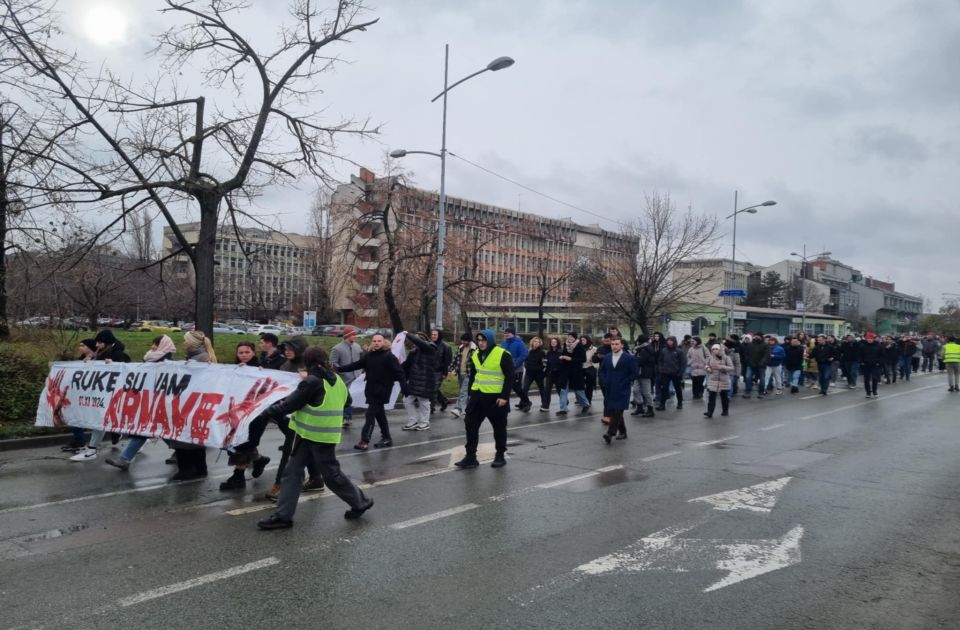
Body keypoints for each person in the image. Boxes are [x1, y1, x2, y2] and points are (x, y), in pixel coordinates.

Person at [256, 346, 374, 529]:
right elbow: (347, 402)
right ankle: (283, 516)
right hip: (317, 435)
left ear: (307, 362)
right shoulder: (336, 380)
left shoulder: (311, 381)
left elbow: (288, 406)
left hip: (314, 435)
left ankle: (360, 501)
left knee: (330, 475)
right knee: (292, 473)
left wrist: (262, 412)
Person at [105, 335, 178, 471]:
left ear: (163, 345)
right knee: (150, 430)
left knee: (151, 430)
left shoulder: (168, 363)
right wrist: (115, 366)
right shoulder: (151, 358)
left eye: (155, 344)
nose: (152, 347)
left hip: (160, 403)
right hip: (149, 401)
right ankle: (180, 452)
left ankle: (125, 459)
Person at [216, 342, 273, 490]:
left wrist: (259, 373)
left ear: (253, 353)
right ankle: (259, 460)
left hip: (255, 414)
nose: (244, 355)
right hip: (237, 412)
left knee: (244, 442)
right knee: (237, 442)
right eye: (240, 352)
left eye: (247, 352)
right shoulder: (235, 369)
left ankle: (238, 476)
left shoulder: (261, 368)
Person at [455, 329, 514, 469]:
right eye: (479, 340)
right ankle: (470, 456)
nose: (481, 343)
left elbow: (510, 377)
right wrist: (470, 394)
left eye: (484, 340)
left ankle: (500, 454)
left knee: (499, 428)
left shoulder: (502, 354)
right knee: (470, 424)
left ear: (491, 340)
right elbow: (474, 375)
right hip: (477, 396)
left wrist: (504, 396)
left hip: (496, 398)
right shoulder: (475, 354)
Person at [337, 333, 407, 450]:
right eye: (374, 341)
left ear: (384, 342)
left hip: (383, 390)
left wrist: (405, 388)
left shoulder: (389, 357)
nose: (376, 343)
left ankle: (364, 441)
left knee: (370, 414)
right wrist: (339, 368)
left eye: (379, 341)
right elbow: (356, 365)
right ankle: (387, 438)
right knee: (380, 415)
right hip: (371, 390)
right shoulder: (369, 355)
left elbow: (400, 373)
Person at [70, 330, 130, 462]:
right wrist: (89, 362)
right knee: (101, 419)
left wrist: (114, 364)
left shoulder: (118, 354)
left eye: (99, 342)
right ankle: (135, 439)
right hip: (103, 394)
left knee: (102, 420)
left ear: (107, 342)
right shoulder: (100, 354)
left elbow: (128, 370)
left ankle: (93, 449)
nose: (96, 345)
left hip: (114, 394)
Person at [169, 330, 217, 480]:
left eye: (185, 341)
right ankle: (200, 468)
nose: (183, 343)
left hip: (191, 403)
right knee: (194, 438)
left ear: (192, 344)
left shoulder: (200, 359)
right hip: (195, 403)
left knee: (183, 437)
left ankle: (186, 469)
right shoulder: (200, 357)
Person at [61, 339, 98, 453]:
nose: (80, 347)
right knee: (76, 415)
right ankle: (79, 440)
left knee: (95, 418)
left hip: (93, 394)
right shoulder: (81, 359)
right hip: (79, 393)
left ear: (90, 347)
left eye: (83, 345)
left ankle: (111, 435)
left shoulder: (98, 359)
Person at [598, 337, 637, 443]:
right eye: (612, 344)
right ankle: (623, 431)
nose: (614, 346)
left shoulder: (629, 358)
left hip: (623, 389)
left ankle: (610, 433)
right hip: (610, 389)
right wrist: (605, 380)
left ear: (622, 345)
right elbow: (602, 371)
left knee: (617, 410)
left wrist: (625, 381)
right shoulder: (607, 357)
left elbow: (634, 373)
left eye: (616, 344)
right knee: (615, 411)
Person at [401, 332, 438, 432]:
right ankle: (413, 420)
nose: (414, 343)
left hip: (426, 380)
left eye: (416, 340)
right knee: (407, 400)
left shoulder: (430, 348)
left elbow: (420, 343)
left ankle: (424, 422)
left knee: (423, 401)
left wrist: (408, 334)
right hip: (413, 381)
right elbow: (406, 365)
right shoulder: (414, 352)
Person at [330, 329, 363, 428]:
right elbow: (333, 362)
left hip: (357, 377)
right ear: (347, 336)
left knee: (352, 397)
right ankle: (345, 417)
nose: (355, 337)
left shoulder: (357, 347)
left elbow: (361, 360)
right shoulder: (337, 348)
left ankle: (347, 417)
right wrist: (339, 370)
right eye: (353, 335)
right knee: (346, 397)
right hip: (344, 378)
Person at [559, 332, 590, 413]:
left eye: (572, 337)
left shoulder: (580, 346)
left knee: (578, 390)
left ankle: (586, 404)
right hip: (565, 371)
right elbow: (563, 354)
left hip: (576, 371)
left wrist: (571, 359)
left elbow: (583, 359)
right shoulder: (565, 345)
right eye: (569, 336)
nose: (570, 338)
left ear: (575, 338)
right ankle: (563, 409)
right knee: (563, 389)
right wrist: (562, 357)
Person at [655, 336, 686, 411]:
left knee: (678, 388)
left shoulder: (679, 351)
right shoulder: (664, 350)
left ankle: (680, 403)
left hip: (676, 373)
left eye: (671, 340)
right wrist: (661, 369)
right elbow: (660, 361)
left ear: (674, 341)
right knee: (664, 389)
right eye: (668, 340)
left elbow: (683, 363)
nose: (669, 342)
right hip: (665, 373)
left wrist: (680, 372)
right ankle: (662, 404)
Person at [704, 344, 734, 418]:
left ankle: (725, 410)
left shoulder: (726, 358)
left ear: (720, 350)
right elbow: (706, 365)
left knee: (724, 397)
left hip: (723, 380)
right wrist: (708, 368)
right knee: (711, 397)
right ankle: (709, 412)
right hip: (713, 379)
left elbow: (731, 368)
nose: (714, 351)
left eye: (716, 349)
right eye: (713, 349)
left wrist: (721, 367)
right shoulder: (710, 358)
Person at [630, 335, 656, 417]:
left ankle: (650, 409)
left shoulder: (647, 349)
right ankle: (640, 407)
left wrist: (634, 357)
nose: (637, 342)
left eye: (639, 341)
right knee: (635, 390)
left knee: (646, 392)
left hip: (645, 373)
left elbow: (639, 360)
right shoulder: (639, 349)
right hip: (638, 373)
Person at [449, 333, 475, 417]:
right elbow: (455, 359)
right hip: (460, 373)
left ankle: (458, 409)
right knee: (464, 392)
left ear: (469, 341)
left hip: (469, 374)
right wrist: (450, 369)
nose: (463, 342)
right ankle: (469, 408)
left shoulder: (474, 349)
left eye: (465, 341)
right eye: (462, 340)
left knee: (463, 392)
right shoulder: (460, 348)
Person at [500, 327, 527, 405]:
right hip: (505, 369)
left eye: (508, 333)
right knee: (506, 387)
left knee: (517, 388)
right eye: (505, 333)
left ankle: (526, 402)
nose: (506, 334)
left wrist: (515, 364)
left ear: (513, 334)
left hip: (517, 369)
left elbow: (524, 354)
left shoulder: (519, 343)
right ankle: (505, 406)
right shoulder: (504, 343)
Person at [518, 336, 546, 412]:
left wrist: (541, 368)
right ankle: (524, 403)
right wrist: (526, 366)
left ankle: (544, 404)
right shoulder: (528, 351)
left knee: (542, 389)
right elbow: (525, 360)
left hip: (538, 374)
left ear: (540, 344)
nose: (536, 343)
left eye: (538, 342)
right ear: (532, 343)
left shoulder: (542, 352)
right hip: (529, 373)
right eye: (535, 341)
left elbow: (544, 363)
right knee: (524, 389)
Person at [430, 329, 452, 412]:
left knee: (433, 390)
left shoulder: (446, 346)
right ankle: (444, 401)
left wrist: (445, 372)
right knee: (432, 388)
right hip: (430, 371)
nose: (433, 336)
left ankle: (430, 408)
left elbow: (448, 361)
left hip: (439, 371)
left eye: (435, 334)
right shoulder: (430, 344)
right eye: (432, 334)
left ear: (439, 335)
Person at [543, 337, 566, 413]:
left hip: (558, 374)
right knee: (547, 390)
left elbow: (562, 363)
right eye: (552, 342)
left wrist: (557, 368)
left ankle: (565, 402)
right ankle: (545, 406)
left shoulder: (560, 352)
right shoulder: (548, 352)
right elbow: (546, 362)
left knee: (559, 390)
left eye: (555, 342)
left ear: (557, 343)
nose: (553, 343)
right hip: (550, 374)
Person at [858, 332, 884, 398]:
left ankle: (875, 391)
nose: (869, 339)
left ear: (873, 339)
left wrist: (879, 362)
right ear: (866, 338)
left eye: (871, 338)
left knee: (875, 378)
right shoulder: (862, 345)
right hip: (866, 364)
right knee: (866, 379)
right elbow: (859, 355)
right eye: (868, 338)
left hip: (875, 364)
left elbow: (882, 355)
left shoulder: (878, 345)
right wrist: (861, 362)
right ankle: (868, 392)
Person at [686, 336, 710, 401]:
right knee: (694, 382)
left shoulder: (703, 348)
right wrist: (690, 362)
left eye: (693, 341)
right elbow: (688, 357)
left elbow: (708, 356)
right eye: (691, 341)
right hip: (693, 368)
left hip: (702, 368)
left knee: (700, 382)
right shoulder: (691, 349)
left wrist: (705, 363)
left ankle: (700, 393)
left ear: (697, 341)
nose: (692, 342)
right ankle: (695, 394)